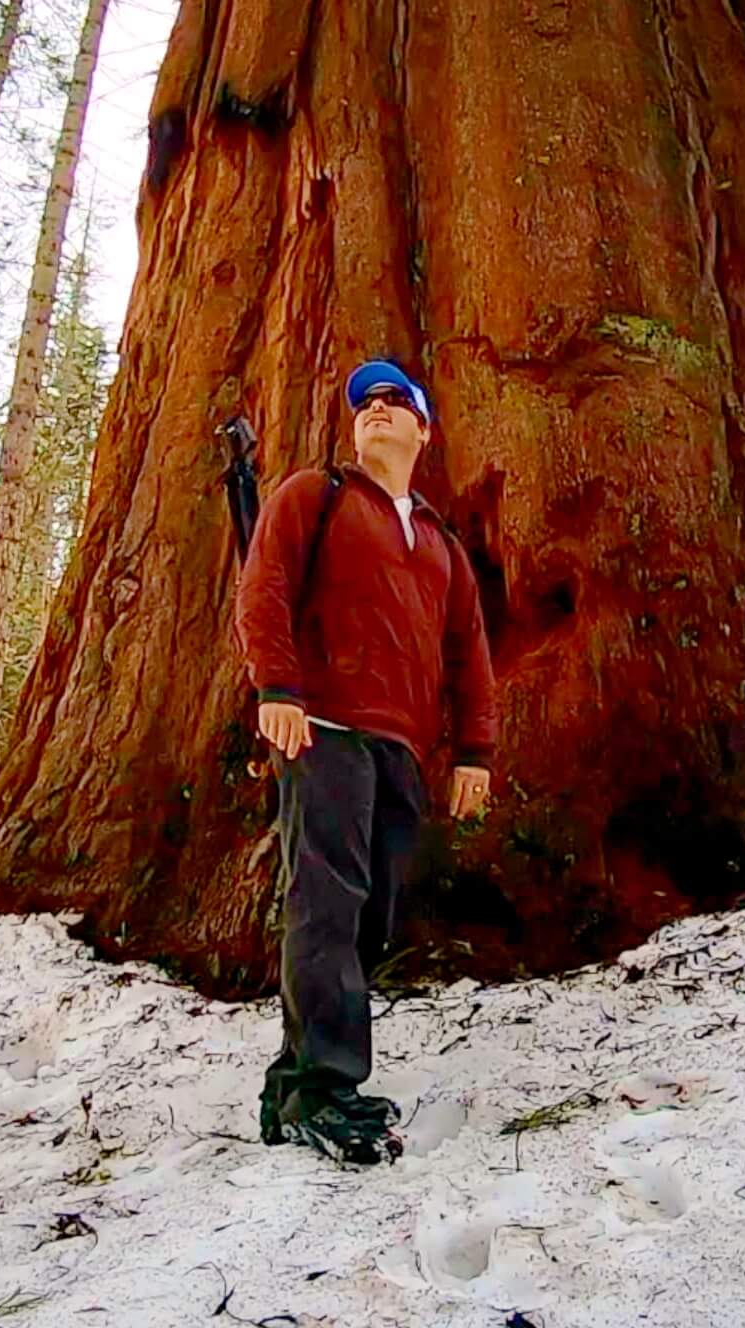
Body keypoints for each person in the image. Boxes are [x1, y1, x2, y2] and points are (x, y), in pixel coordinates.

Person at [235, 358, 498, 1165]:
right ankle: (325, 1086)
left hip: (402, 747)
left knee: (371, 912)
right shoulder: (313, 496)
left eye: (394, 401)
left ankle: (293, 1085)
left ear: (424, 430)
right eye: (363, 404)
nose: (376, 410)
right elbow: (263, 586)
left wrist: (474, 753)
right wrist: (277, 685)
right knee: (326, 902)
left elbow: (470, 653)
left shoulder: (441, 544)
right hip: (321, 728)